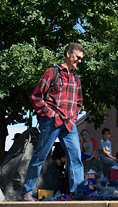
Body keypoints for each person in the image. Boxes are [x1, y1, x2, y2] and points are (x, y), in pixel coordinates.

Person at [22, 43, 85, 201]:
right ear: (69, 54)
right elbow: (35, 97)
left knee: (75, 156)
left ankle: (78, 192)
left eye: (81, 59)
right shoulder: (52, 73)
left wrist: (74, 116)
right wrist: (50, 114)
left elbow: (79, 103)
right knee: (40, 156)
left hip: (69, 123)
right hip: (51, 121)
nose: (80, 61)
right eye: (78, 57)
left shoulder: (76, 78)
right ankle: (26, 192)